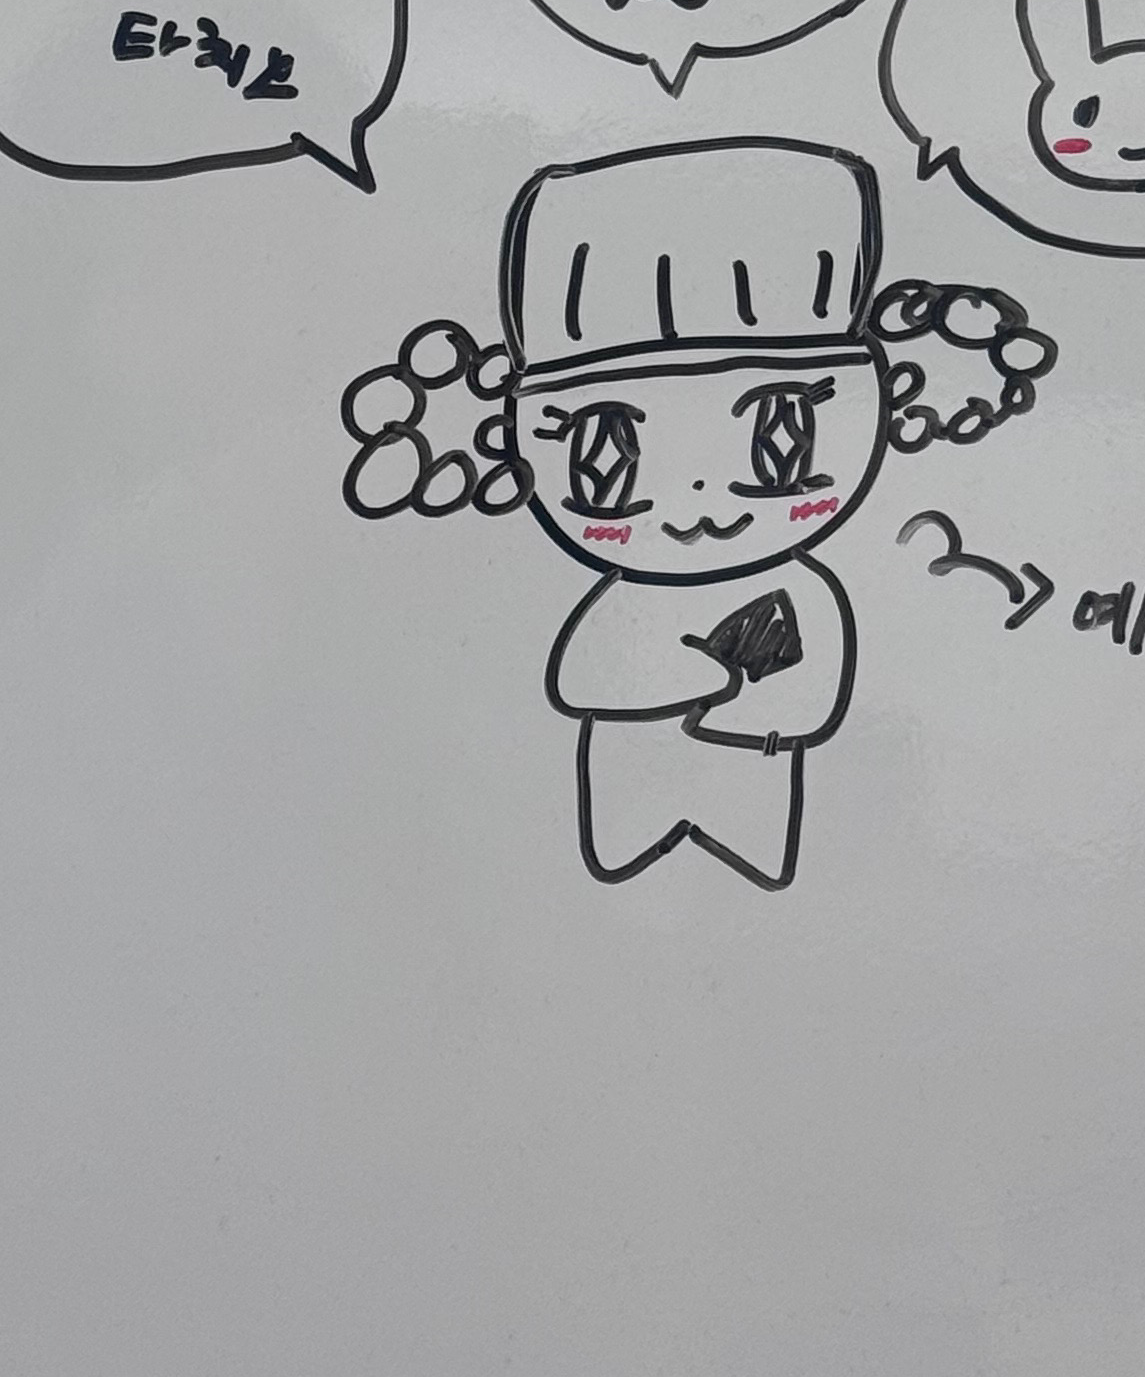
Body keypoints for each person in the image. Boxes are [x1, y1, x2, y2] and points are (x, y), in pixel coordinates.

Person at [341, 136, 1054, 890]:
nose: (697, 506)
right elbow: (583, 677)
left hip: (757, 795)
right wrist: (659, 677)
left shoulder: (802, 592)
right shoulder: (630, 599)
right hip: (628, 795)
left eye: (779, 441)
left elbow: (814, 691)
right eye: (604, 457)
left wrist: (761, 712)